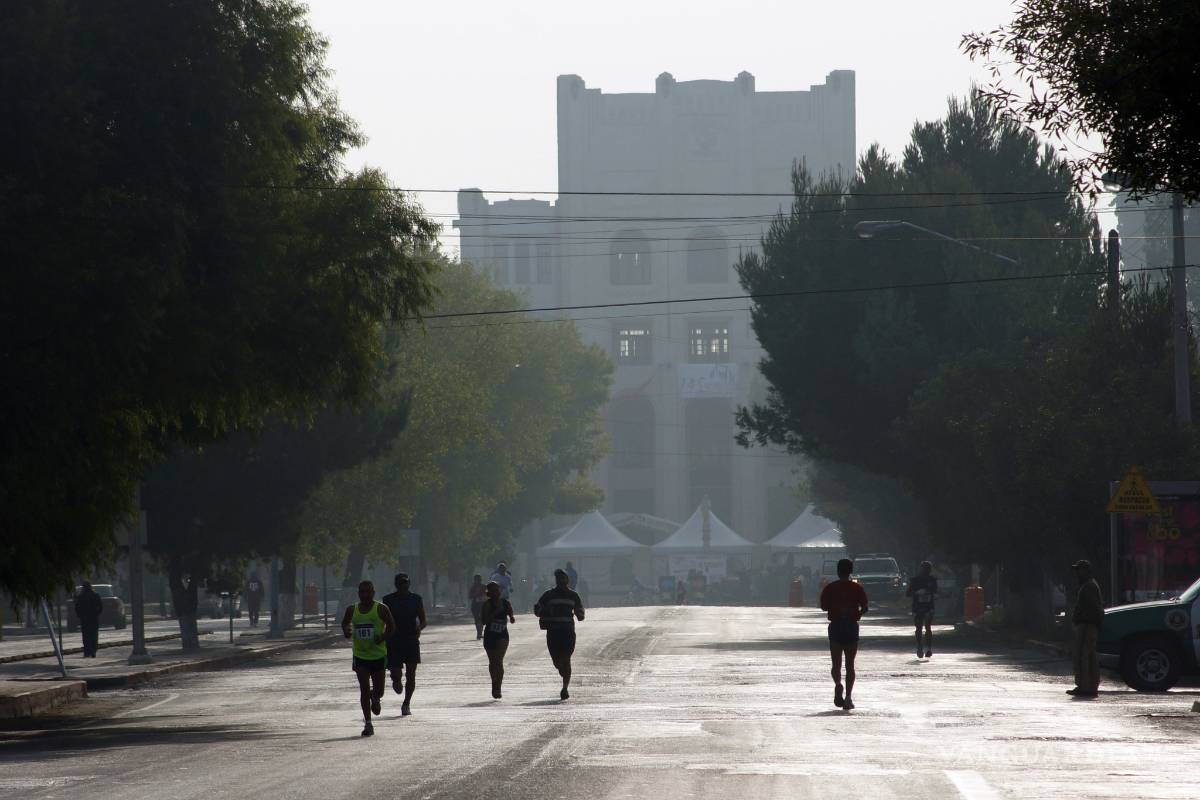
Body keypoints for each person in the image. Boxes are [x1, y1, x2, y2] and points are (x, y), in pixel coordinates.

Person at [340, 580, 396, 736]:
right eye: (362, 592)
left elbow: (392, 626)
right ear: (358, 594)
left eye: (368, 592)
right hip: (360, 656)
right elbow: (344, 623)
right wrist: (347, 631)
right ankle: (368, 724)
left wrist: (382, 637)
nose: (365, 595)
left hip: (378, 655)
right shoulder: (352, 609)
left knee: (379, 690)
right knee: (364, 689)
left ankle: (375, 697)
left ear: (373, 593)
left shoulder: (381, 609)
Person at [819, 558, 869, 711]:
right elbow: (865, 607)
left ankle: (838, 684)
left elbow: (823, 607)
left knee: (836, 664)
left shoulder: (830, 588)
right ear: (850, 571)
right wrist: (857, 613)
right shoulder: (857, 588)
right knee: (850, 665)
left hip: (836, 627)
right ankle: (848, 697)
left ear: (837, 571)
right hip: (851, 627)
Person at [534, 568, 585, 701]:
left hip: (568, 632)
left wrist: (580, 614)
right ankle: (562, 671)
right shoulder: (548, 595)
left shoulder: (574, 596)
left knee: (566, 659)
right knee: (557, 662)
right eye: (559, 579)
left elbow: (580, 611)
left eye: (563, 578)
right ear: (556, 580)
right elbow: (537, 609)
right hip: (553, 633)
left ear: (567, 580)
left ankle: (565, 688)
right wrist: (542, 610)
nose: (561, 581)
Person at [381, 573, 426, 716]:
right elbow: (383, 620)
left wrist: (419, 628)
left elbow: (423, 620)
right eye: (400, 583)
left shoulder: (416, 599)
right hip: (393, 640)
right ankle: (396, 680)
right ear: (396, 584)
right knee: (396, 674)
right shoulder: (388, 600)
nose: (403, 585)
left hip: (411, 640)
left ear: (409, 583)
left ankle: (406, 703)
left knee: (411, 674)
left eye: (405, 582)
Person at [1068, 559, 1103, 698]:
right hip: (1085, 625)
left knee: (1084, 656)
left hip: (1088, 625)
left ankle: (1087, 686)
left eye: (1080, 570)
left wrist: (1093, 623)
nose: (1077, 573)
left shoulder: (1090, 586)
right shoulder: (1087, 585)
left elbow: (1095, 608)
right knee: (1085, 656)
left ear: (1086, 571)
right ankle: (1085, 685)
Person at [480, 580, 516, 699]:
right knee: (492, 661)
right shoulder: (487, 604)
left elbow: (511, 616)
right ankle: (494, 682)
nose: (496, 592)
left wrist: (511, 617)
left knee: (498, 660)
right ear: (489, 592)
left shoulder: (505, 603)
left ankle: (498, 687)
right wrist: (494, 613)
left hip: (502, 635)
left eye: (497, 589)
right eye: (493, 590)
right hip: (490, 635)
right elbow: (484, 621)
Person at [906, 561, 938, 658]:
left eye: (928, 569)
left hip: (929, 606)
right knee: (919, 627)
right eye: (924, 568)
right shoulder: (915, 580)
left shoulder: (932, 580)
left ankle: (928, 648)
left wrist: (928, 592)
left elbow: (935, 590)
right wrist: (916, 593)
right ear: (921, 569)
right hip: (917, 607)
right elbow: (908, 593)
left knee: (928, 626)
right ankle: (919, 646)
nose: (926, 571)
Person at [74, 581, 103, 658]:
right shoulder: (95, 595)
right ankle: (93, 651)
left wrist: (80, 615)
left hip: (85, 619)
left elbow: (77, 608)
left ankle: (87, 651)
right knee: (94, 635)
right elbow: (100, 607)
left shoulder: (81, 596)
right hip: (93, 619)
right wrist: (96, 614)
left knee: (86, 636)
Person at [467, 574, 486, 640]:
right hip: (475, 606)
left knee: (481, 620)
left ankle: (480, 633)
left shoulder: (484, 586)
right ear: (475, 580)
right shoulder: (473, 587)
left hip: (483, 606)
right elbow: (469, 596)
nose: (478, 581)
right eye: (477, 580)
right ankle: (479, 633)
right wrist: (476, 594)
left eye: (479, 580)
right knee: (477, 620)